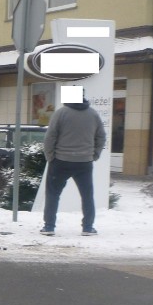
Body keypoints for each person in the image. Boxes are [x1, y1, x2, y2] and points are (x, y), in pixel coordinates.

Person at [41, 94, 107, 236]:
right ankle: (88, 227)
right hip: (84, 162)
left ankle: (49, 226)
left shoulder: (60, 113)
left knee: (53, 194)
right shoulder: (93, 114)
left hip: (60, 161)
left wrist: (50, 157)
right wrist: (94, 154)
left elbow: (50, 136)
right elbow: (101, 136)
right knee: (87, 195)